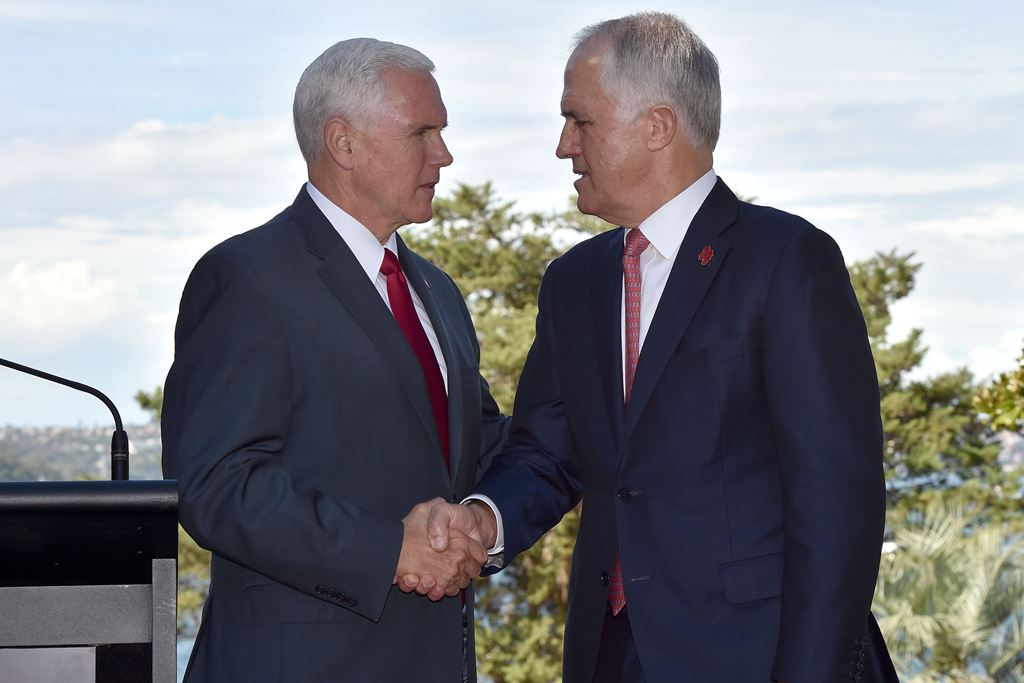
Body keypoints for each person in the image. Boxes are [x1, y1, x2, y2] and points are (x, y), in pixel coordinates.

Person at [425, 12, 898, 683]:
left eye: (578, 120)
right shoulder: (573, 282)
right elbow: (545, 453)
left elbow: (838, 505)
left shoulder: (787, 261)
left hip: (761, 660)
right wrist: (483, 517)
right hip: (609, 659)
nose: (564, 145)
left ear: (657, 126)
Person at [161, 38, 507, 682]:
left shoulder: (437, 291)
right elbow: (214, 484)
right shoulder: (245, 278)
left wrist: (487, 518)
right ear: (343, 143)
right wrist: (388, 551)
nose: (445, 155)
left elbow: (484, 451)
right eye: (423, 133)